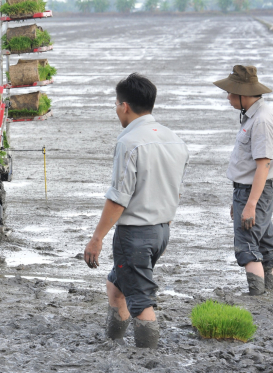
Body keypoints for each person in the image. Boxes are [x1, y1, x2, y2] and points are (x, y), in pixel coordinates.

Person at [83, 73, 189, 349]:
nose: (116, 110)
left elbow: (119, 199)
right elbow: (175, 189)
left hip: (135, 235)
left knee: (140, 299)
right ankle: (113, 341)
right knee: (116, 286)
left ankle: (147, 355)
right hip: (161, 232)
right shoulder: (174, 139)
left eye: (116, 104)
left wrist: (97, 238)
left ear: (125, 106)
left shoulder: (128, 142)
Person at [213, 65, 273, 296]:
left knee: (246, 245)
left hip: (255, 192)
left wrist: (250, 204)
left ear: (244, 95)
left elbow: (263, 165)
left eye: (231, 93)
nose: (228, 97)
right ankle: (269, 294)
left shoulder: (261, 120)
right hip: (251, 191)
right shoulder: (254, 115)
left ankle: (258, 297)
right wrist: (239, 202)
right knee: (263, 242)